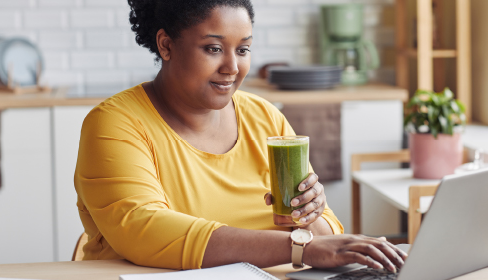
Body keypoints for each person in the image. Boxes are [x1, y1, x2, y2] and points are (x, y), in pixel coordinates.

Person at [74, 0, 407, 273]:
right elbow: (144, 230)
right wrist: (300, 249)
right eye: (214, 48)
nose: (232, 67)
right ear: (166, 44)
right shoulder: (115, 124)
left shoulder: (265, 118)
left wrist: (311, 216)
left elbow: (325, 235)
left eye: (243, 50)